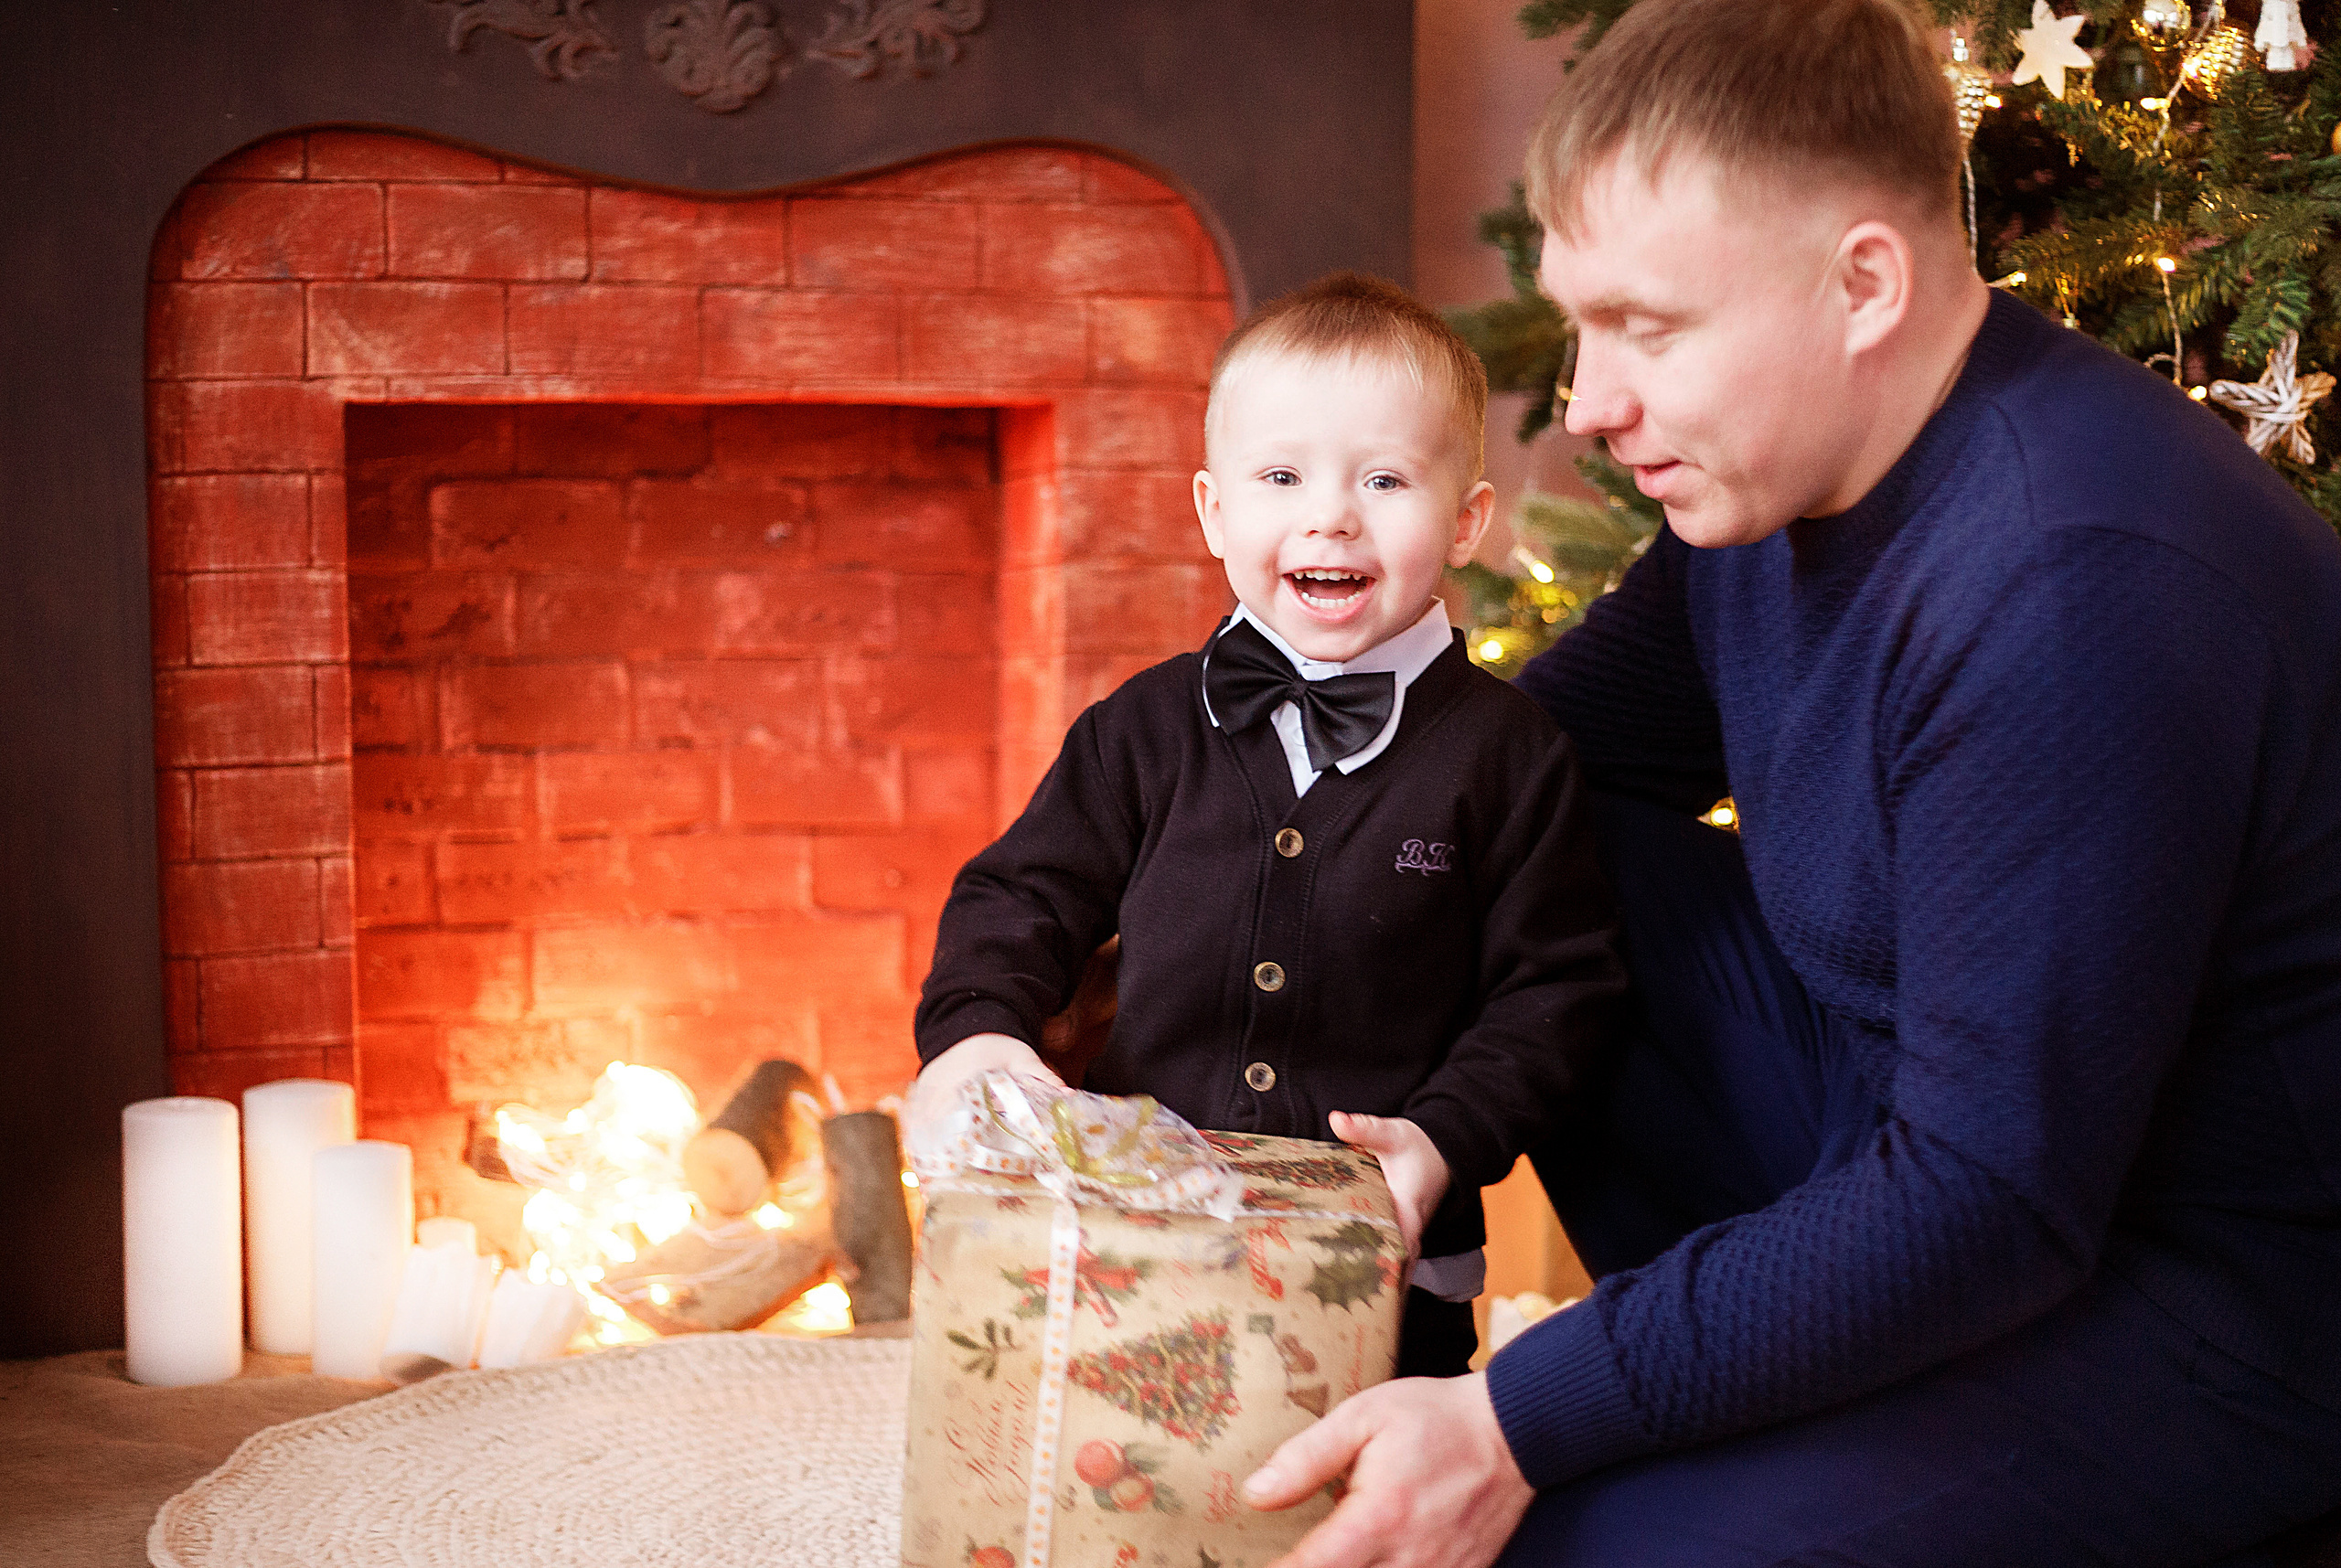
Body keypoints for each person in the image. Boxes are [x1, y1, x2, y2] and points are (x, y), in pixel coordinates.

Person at [1238, 0, 2341, 1563]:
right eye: (1579, 325)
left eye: (1650, 327)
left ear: (1863, 284)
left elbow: (1987, 1195)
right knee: (1510, 844)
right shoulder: (1783, 493)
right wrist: (1160, 902)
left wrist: (1523, 1418)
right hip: (1913, 1134)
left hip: (2219, 1310)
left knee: (1554, 1536)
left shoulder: (2068, 580)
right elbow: (1495, 784)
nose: (1592, 401)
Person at [906, 273, 1624, 1379]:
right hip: (1146, 1235)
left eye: (1384, 478)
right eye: (1280, 476)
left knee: (1364, 1523)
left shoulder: (1507, 754)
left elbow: (1555, 991)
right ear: (1213, 512)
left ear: (1468, 520)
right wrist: (976, 1033)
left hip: (1381, 1253)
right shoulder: (1142, 726)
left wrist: (1444, 1136)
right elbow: (1021, 895)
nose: (1328, 513)